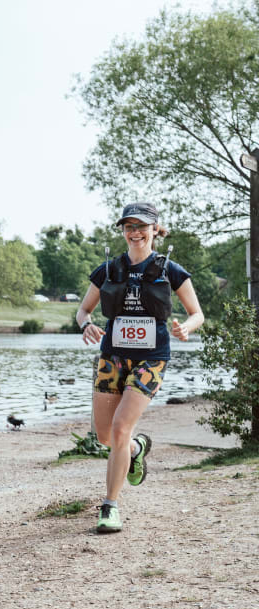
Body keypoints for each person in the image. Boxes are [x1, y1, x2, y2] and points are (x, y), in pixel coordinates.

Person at [76, 202, 203, 533]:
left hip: (152, 359)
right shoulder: (108, 269)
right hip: (112, 358)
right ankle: (136, 449)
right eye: (129, 226)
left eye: (142, 226)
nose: (135, 232)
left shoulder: (170, 269)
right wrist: (86, 325)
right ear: (122, 230)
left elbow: (197, 313)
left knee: (120, 428)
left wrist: (186, 328)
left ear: (155, 230)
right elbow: (83, 311)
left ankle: (110, 506)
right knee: (106, 435)